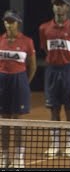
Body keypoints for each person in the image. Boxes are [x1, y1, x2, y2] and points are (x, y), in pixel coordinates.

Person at [39, 0, 70, 157]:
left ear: (67, 8)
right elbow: (44, 48)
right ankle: (55, 144)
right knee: (54, 109)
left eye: (62, 4)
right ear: (53, 7)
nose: (58, 7)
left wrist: (69, 61)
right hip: (52, 71)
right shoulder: (44, 28)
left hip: (68, 71)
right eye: (56, 4)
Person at [0, 9, 37, 168]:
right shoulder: (0, 40)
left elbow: (33, 66)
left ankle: (18, 157)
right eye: (7, 21)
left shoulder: (27, 41)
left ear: (18, 23)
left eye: (12, 21)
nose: (9, 24)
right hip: (2, 83)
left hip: (19, 81)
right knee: (4, 122)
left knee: (17, 122)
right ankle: (5, 156)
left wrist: (24, 83)